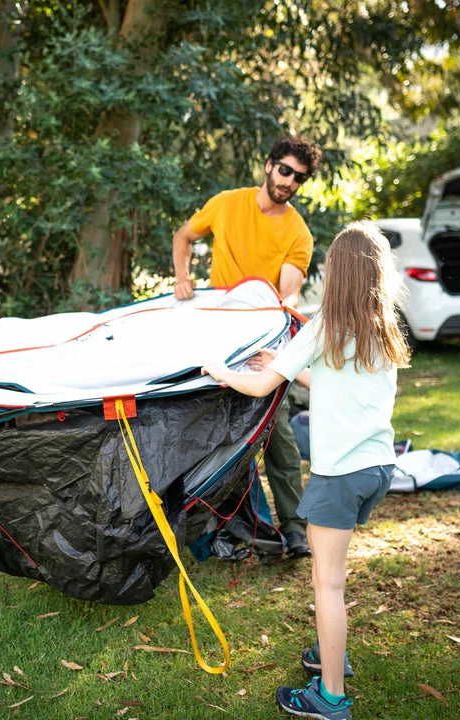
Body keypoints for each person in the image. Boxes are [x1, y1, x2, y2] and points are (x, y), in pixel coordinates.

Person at [202, 222, 411, 720]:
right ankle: (328, 651)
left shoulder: (323, 327)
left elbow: (258, 388)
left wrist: (219, 371)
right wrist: (289, 363)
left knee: (328, 584)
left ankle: (330, 698)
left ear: (337, 272)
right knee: (332, 576)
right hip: (378, 468)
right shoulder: (382, 328)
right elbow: (339, 383)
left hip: (339, 476)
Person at [171, 136, 322, 557]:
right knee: (218, 433)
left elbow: (288, 293)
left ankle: (294, 530)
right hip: (218, 337)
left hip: (264, 343)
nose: (289, 182)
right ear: (269, 165)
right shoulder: (227, 204)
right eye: (285, 170)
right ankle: (223, 527)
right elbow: (184, 236)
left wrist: (278, 310)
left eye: (299, 178)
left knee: (279, 437)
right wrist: (182, 277)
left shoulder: (297, 232)